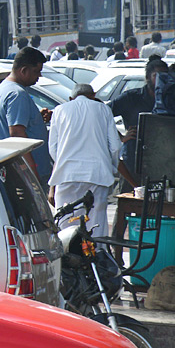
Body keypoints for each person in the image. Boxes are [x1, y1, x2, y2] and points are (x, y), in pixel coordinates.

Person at [49, 84, 123, 235]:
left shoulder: (60, 110)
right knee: (95, 223)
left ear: (71, 98)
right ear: (94, 95)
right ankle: (96, 256)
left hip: (66, 175)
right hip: (97, 174)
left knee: (65, 221)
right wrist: (112, 167)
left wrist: (63, 162)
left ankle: (68, 256)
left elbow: (53, 148)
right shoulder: (103, 110)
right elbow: (115, 146)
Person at [0, 47, 53, 181]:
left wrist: (35, 119)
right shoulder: (17, 94)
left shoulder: (4, 88)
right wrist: (32, 174)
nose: (39, 76)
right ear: (23, 70)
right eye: (36, 72)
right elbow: (17, 134)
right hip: (23, 174)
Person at [112, 57, 165, 175]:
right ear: (147, 78)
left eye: (165, 76)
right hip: (133, 157)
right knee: (127, 192)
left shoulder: (169, 100)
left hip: (160, 159)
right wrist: (120, 137)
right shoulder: (131, 97)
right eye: (157, 76)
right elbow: (103, 115)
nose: (161, 80)